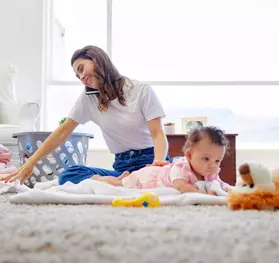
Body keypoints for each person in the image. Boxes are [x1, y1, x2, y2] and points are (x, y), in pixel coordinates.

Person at [2, 45, 170, 185]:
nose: (82, 77)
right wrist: (30, 163)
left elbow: (157, 134)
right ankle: (121, 183)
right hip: (122, 166)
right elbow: (62, 132)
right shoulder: (88, 98)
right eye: (78, 76)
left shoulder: (141, 90)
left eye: (82, 69)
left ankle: (128, 183)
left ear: (96, 59)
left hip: (150, 159)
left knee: (178, 174)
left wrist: (156, 165)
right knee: (69, 174)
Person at [92, 126, 230, 195]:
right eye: (206, 158)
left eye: (217, 161)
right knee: (120, 184)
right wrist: (203, 194)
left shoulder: (209, 170)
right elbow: (181, 186)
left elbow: (219, 184)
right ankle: (99, 178)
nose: (212, 165)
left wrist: (229, 190)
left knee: (124, 180)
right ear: (189, 156)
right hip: (147, 178)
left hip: (156, 173)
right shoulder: (181, 167)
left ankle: (125, 176)